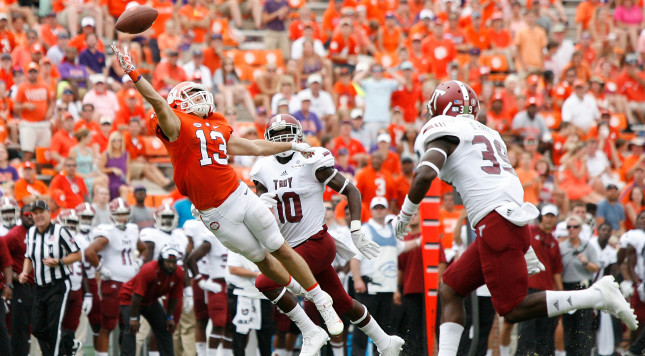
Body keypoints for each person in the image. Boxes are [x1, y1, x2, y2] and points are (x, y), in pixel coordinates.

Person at [112, 43, 345, 347]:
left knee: (279, 247)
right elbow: (157, 103)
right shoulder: (175, 125)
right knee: (261, 259)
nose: (199, 97)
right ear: (178, 104)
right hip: (214, 213)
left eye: (199, 93)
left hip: (238, 193)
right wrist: (133, 72)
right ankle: (305, 308)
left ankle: (321, 302)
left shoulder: (218, 123)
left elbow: (254, 146)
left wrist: (291, 145)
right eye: (191, 95)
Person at [391, 80, 637, 356]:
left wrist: (405, 214)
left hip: (495, 224)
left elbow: (425, 174)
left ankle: (595, 295)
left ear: (443, 107)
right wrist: (526, 243)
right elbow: (506, 185)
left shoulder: (443, 129)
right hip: (506, 219)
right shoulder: (490, 134)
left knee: (511, 308)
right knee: (451, 288)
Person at [251, 115, 405, 356]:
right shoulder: (262, 168)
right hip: (290, 248)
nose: (282, 139)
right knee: (342, 302)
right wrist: (257, 204)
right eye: (277, 135)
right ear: (268, 139)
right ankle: (385, 341)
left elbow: (352, 191)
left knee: (264, 282)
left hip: (315, 242)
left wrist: (355, 229)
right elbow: (259, 213)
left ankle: (310, 331)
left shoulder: (310, 160)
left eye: (287, 133)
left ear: (299, 135)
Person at [84, 198, 147, 356]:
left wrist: (139, 261)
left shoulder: (132, 230)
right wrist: (100, 268)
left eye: (124, 214)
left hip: (130, 284)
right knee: (107, 325)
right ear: (111, 215)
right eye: (118, 215)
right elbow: (89, 252)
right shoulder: (107, 232)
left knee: (127, 326)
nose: (121, 218)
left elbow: (144, 249)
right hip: (112, 283)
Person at [18, 199, 82, 356]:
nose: (39, 216)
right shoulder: (31, 232)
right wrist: (24, 272)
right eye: (35, 213)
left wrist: (60, 262)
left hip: (58, 285)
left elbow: (78, 254)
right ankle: (68, 343)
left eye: (42, 212)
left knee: (53, 328)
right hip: (39, 287)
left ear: (49, 213)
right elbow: (28, 256)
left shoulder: (60, 231)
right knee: (38, 328)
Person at [512, 204, 563, 356]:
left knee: (546, 336)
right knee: (526, 332)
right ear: (541, 216)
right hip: (528, 289)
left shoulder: (554, 242)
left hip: (547, 292)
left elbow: (556, 272)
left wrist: (560, 294)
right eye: (547, 215)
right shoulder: (529, 232)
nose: (549, 219)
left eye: (552, 216)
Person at [119, 245, 184, 356]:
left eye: (174, 262)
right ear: (161, 261)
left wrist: (169, 317)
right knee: (131, 329)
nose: (171, 265)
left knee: (164, 328)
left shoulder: (178, 272)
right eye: (168, 261)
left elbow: (174, 296)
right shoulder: (149, 269)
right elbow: (136, 295)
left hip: (150, 301)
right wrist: (134, 318)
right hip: (130, 299)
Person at [5, 203, 35, 356]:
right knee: (20, 328)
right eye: (27, 215)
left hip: (37, 287)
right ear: (20, 216)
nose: (30, 218)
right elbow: (3, 257)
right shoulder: (14, 234)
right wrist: (13, 276)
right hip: (22, 287)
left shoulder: (40, 232)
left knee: (35, 327)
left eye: (32, 215)